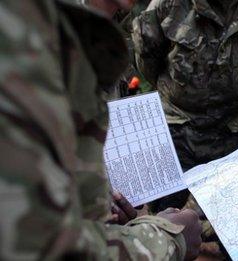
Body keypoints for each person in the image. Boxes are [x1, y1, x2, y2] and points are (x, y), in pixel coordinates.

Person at [0, 0, 201, 259]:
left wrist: (112, 215)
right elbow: (33, 242)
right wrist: (165, 239)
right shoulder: (24, 35)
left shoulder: (98, 31)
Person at [132, 0, 238, 170]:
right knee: (168, 196)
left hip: (233, 137)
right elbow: (147, 58)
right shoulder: (169, 4)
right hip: (176, 134)